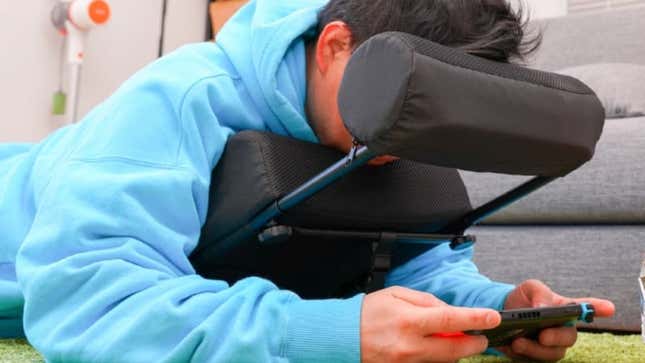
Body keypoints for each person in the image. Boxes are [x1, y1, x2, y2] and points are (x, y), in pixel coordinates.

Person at [0, 0, 614, 362]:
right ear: (334, 46)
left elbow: (408, 266)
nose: (408, 145)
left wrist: (495, 311)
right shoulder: (184, 97)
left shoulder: (388, 135)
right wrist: (321, 332)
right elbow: (87, 298)